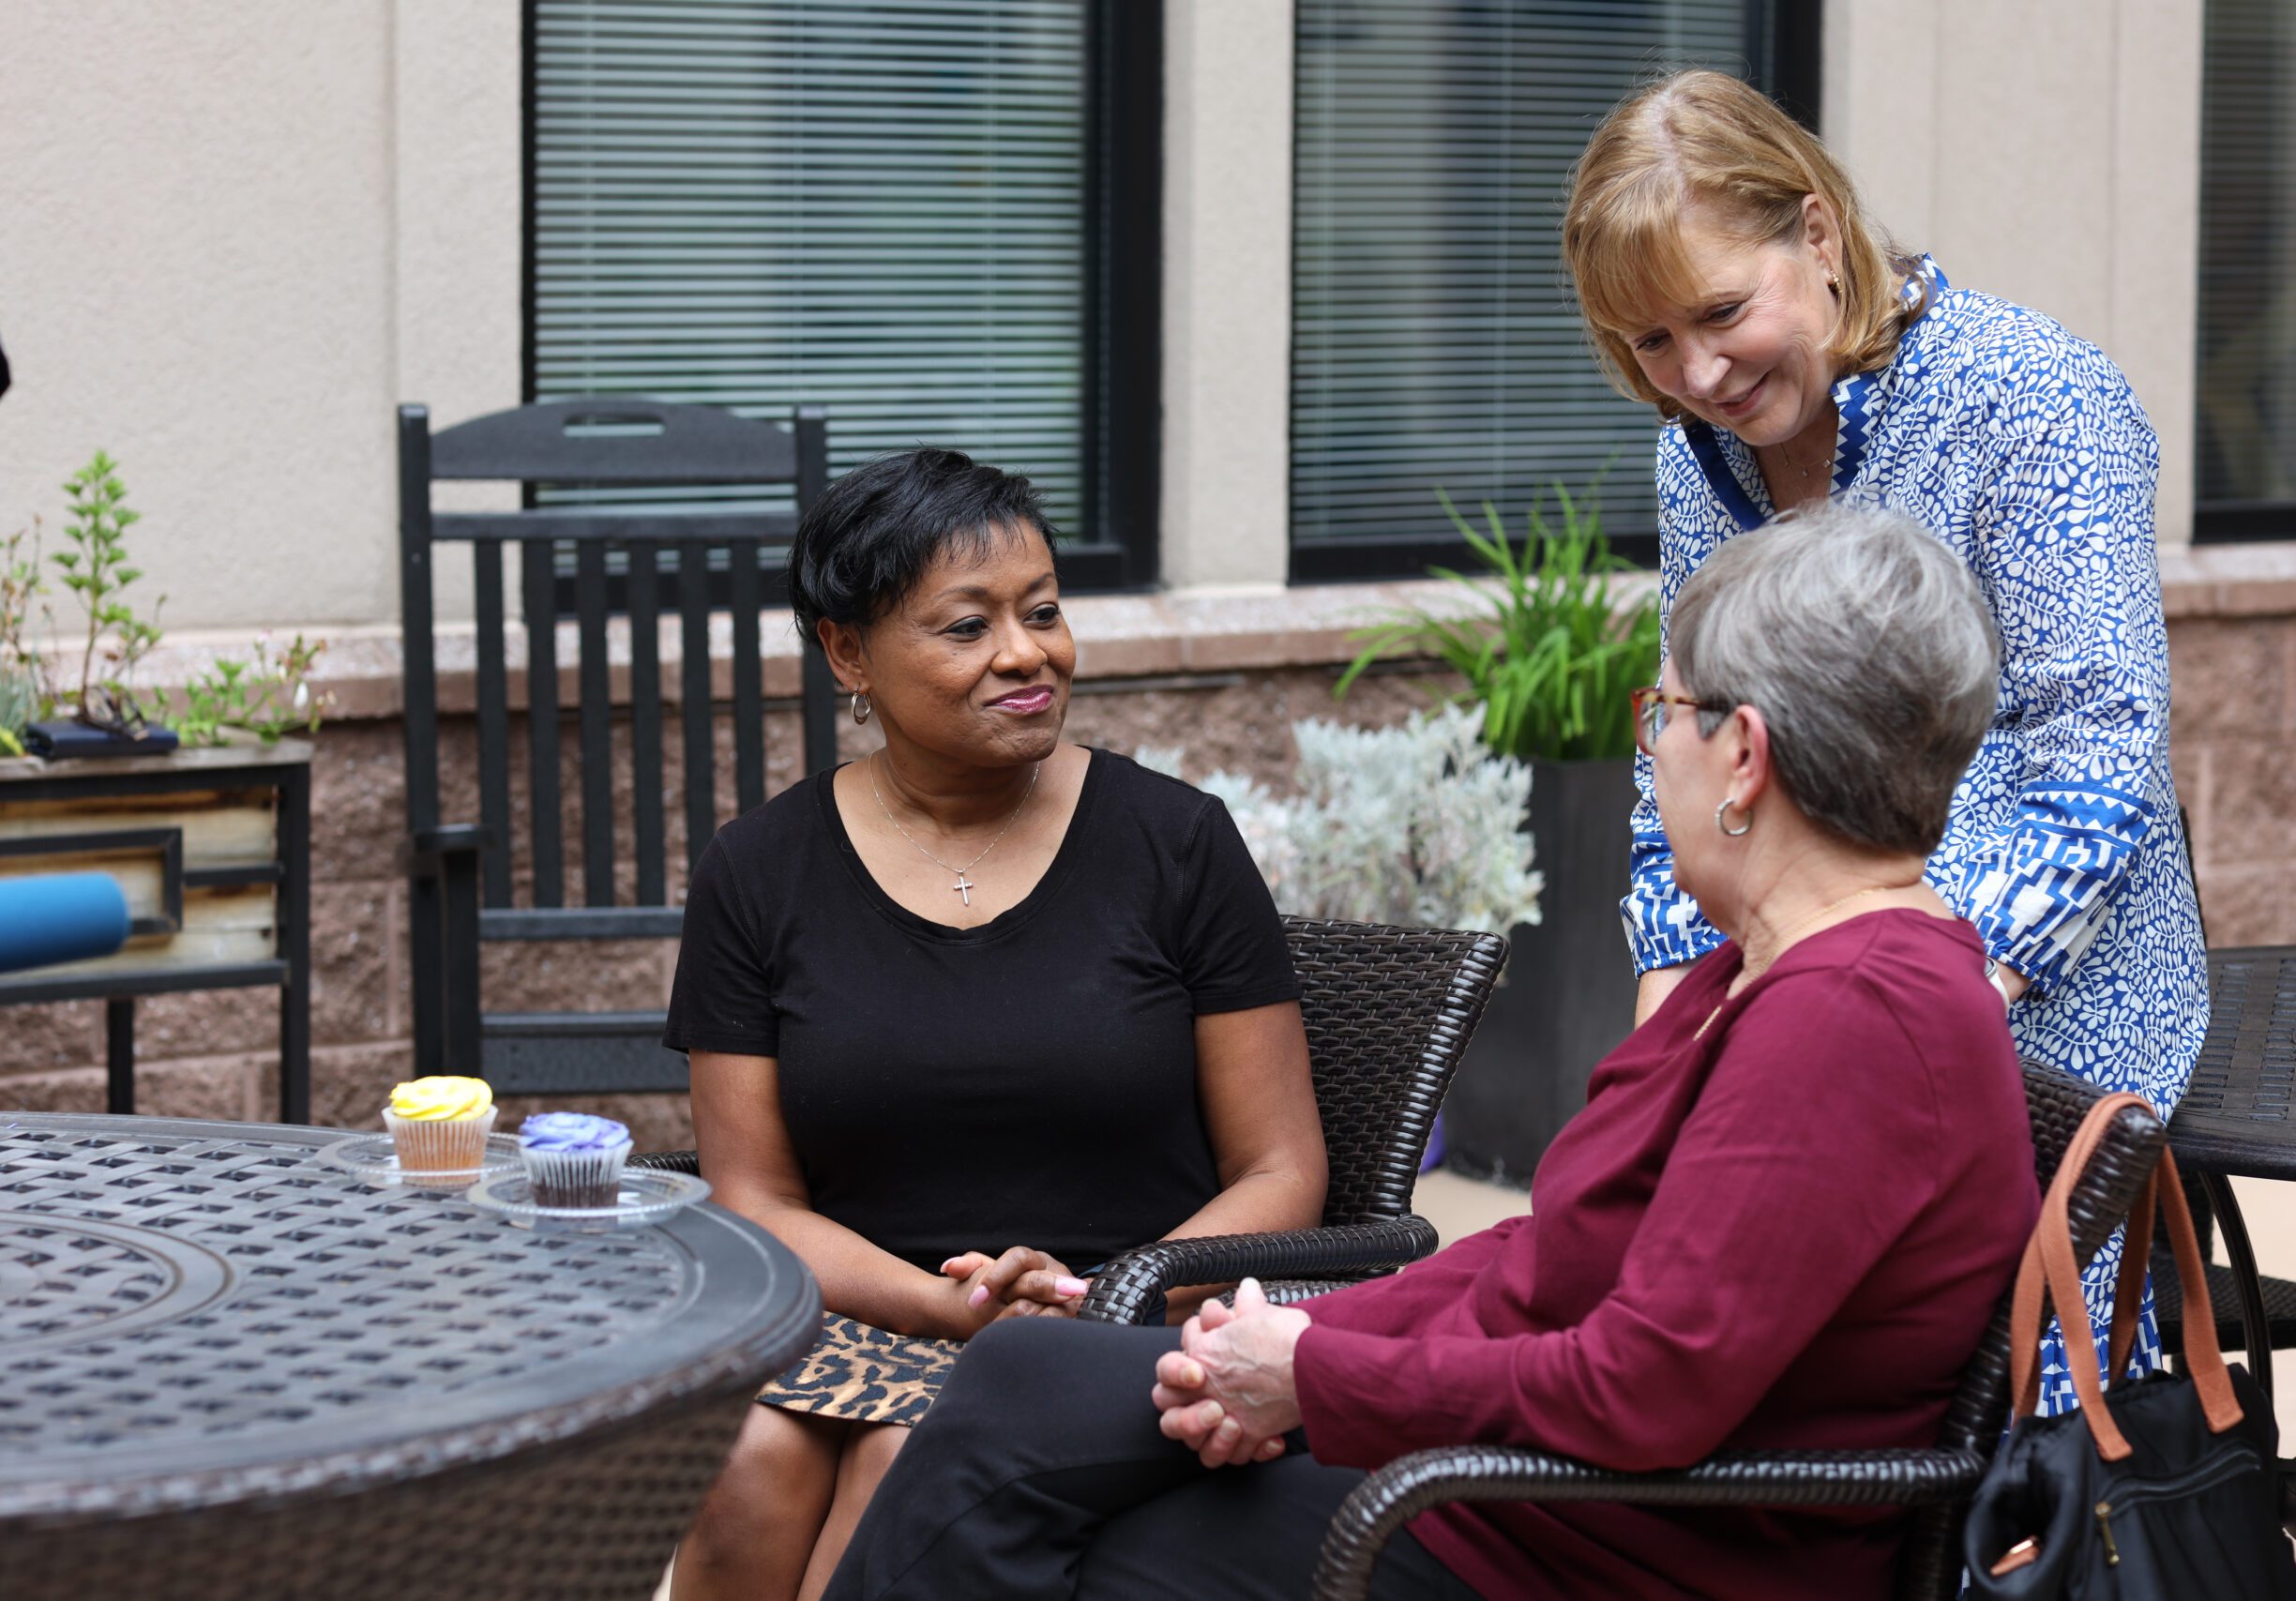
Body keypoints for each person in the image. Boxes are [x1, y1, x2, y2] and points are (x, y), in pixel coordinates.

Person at [819, 506, 2041, 1601]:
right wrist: (1300, 1339)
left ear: (1745, 756)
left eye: (1659, 712)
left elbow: (1648, 1381)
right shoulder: (1764, 968)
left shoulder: (1856, 1015)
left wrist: (1319, 1377)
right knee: (1029, 1372)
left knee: (1080, 1537)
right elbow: (1549, 1251)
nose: (1649, 748)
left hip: (1608, 1539)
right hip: (1518, 1476)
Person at [1565, 68, 2205, 1412]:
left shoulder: (2032, 397)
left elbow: (2093, 764)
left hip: (2035, 1017)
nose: (1696, 374)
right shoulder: (1701, 450)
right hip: (1801, 1013)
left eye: (1723, 313)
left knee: (1856, 1383)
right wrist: (1663, 1059)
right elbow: (1688, 757)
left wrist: (1876, 1023)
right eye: (1650, 344)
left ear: (1816, 230)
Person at [660, 446, 1330, 1601]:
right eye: (966, 627)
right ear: (846, 652)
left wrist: (1087, 1297)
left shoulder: (1176, 845)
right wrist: (941, 1304)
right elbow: (753, 1198)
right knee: (740, 1466)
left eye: (1043, 612)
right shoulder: (757, 870)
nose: (1026, 655)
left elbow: (1282, 1166)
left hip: (1125, 1315)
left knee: (897, 1459)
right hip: (867, 1305)